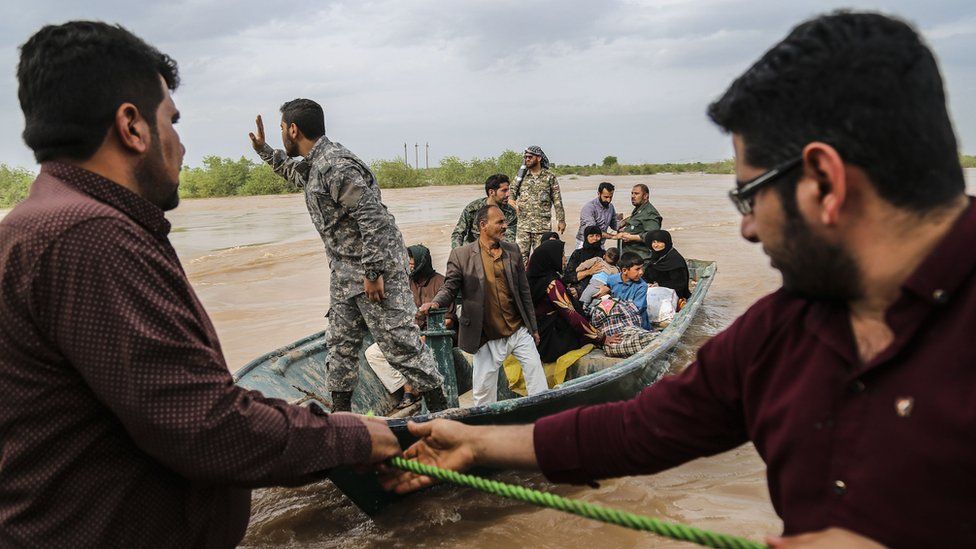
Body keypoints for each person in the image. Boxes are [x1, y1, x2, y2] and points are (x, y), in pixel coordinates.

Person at [381, 12, 976, 547]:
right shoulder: (780, 333)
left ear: (823, 181)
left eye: (747, 195)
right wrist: (478, 443)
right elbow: (635, 430)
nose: (745, 229)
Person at [0, 22, 401, 548]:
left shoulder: (46, 222)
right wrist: (352, 436)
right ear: (132, 126)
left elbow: (373, 220)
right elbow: (206, 427)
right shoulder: (91, 237)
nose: (182, 145)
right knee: (349, 356)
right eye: (173, 120)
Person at [250, 100, 447, 413]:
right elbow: (293, 173)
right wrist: (264, 149)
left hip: (373, 270)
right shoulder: (315, 165)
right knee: (340, 348)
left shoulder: (334, 165)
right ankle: (340, 420)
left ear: (293, 129)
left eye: (280, 130)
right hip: (344, 274)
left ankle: (443, 414)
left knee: (400, 345)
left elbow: (375, 220)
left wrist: (372, 273)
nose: (282, 135)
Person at [419, 205, 547, 406]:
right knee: (483, 395)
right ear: (483, 225)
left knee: (537, 378)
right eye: (500, 222)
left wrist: (533, 328)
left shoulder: (512, 251)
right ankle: (485, 430)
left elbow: (524, 293)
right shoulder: (461, 255)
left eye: (505, 222)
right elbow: (450, 287)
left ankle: (544, 419)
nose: (505, 226)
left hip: (517, 329)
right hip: (486, 335)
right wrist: (435, 302)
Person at [365, 245, 456, 409]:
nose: (409, 263)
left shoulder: (441, 282)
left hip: (436, 336)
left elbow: (449, 320)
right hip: (410, 333)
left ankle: (412, 391)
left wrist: (425, 335)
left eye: (412, 259)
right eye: (407, 260)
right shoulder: (404, 283)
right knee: (373, 352)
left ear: (422, 261)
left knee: (411, 348)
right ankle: (409, 387)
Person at [527, 240, 618, 362]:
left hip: (538, 330)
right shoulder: (552, 284)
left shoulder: (537, 278)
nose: (565, 259)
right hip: (551, 339)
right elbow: (571, 315)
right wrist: (601, 338)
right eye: (562, 255)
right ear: (551, 258)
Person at [511, 145, 566, 264]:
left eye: (530, 157)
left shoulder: (549, 177)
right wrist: (513, 203)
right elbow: (511, 194)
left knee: (541, 260)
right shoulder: (521, 177)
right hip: (523, 227)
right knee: (519, 260)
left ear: (539, 158)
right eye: (525, 157)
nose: (527, 159)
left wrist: (561, 220)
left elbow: (557, 201)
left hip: (542, 227)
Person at [451, 173, 518, 248]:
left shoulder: (510, 212)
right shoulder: (473, 208)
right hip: (472, 251)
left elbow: (509, 240)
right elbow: (458, 233)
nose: (508, 194)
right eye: (504, 191)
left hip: (496, 250)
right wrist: (458, 253)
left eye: (508, 190)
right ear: (491, 192)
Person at [599, 252, 650, 329]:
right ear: (624, 270)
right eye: (637, 269)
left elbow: (637, 309)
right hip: (617, 318)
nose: (641, 272)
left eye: (641, 268)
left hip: (637, 322)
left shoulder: (642, 286)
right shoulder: (611, 279)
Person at [614, 184, 662, 261]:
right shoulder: (639, 209)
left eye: (636, 194)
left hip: (641, 261)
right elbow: (637, 219)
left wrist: (631, 237)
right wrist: (624, 222)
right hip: (630, 258)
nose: (633, 196)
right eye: (632, 193)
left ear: (645, 196)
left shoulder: (650, 213)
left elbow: (653, 236)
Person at [642, 230, 691, 300]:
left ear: (666, 242)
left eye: (659, 242)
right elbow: (647, 275)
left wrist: (659, 286)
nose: (656, 245)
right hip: (654, 289)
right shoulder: (656, 256)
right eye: (654, 242)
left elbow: (679, 284)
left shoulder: (675, 259)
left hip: (674, 293)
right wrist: (647, 284)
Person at [563, 225, 605, 294]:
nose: (595, 238)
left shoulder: (604, 255)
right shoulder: (578, 254)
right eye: (591, 236)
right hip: (577, 292)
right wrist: (589, 272)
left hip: (598, 291)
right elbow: (567, 277)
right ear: (586, 238)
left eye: (597, 236)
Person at [574, 181, 618, 247]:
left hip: (600, 243)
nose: (608, 200)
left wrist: (629, 220)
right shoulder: (589, 208)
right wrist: (614, 237)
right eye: (606, 197)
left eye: (610, 197)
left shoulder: (611, 207)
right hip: (584, 243)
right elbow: (593, 231)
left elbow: (615, 225)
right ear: (598, 194)